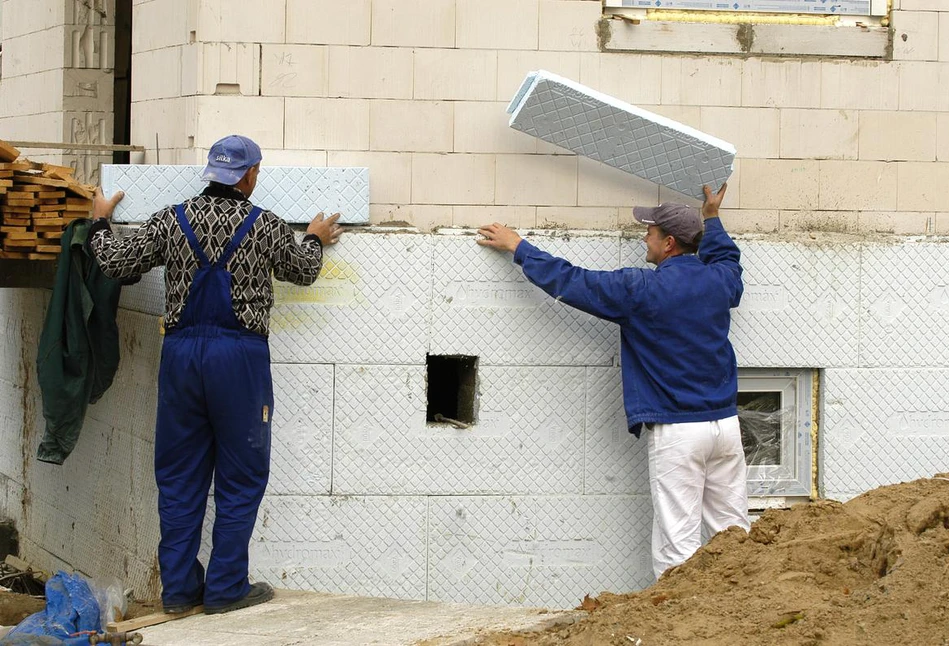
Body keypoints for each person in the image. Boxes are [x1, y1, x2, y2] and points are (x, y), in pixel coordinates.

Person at [89, 135, 343, 614]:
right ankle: (226, 589)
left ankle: (180, 592)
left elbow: (116, 262)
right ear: (249, 176)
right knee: (241, 477)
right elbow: (305, 271)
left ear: (213, 173)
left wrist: (101, 220)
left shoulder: (171, 218)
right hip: (240, 361)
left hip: (181, 355)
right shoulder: (265, 226)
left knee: (179, 476)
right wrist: (314, 237)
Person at [477, 183, 749, 579]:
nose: (645, 237)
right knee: (734, 533)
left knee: (679, 544)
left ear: (669, 243)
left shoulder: (641, 289)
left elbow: (573, 283)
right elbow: (728, 259)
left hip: (679, 433)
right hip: (725, 427)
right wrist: (712, 218)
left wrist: (519, 247)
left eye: (650, 232)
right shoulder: (720, 282)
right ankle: (744, 616)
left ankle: (680, 631)